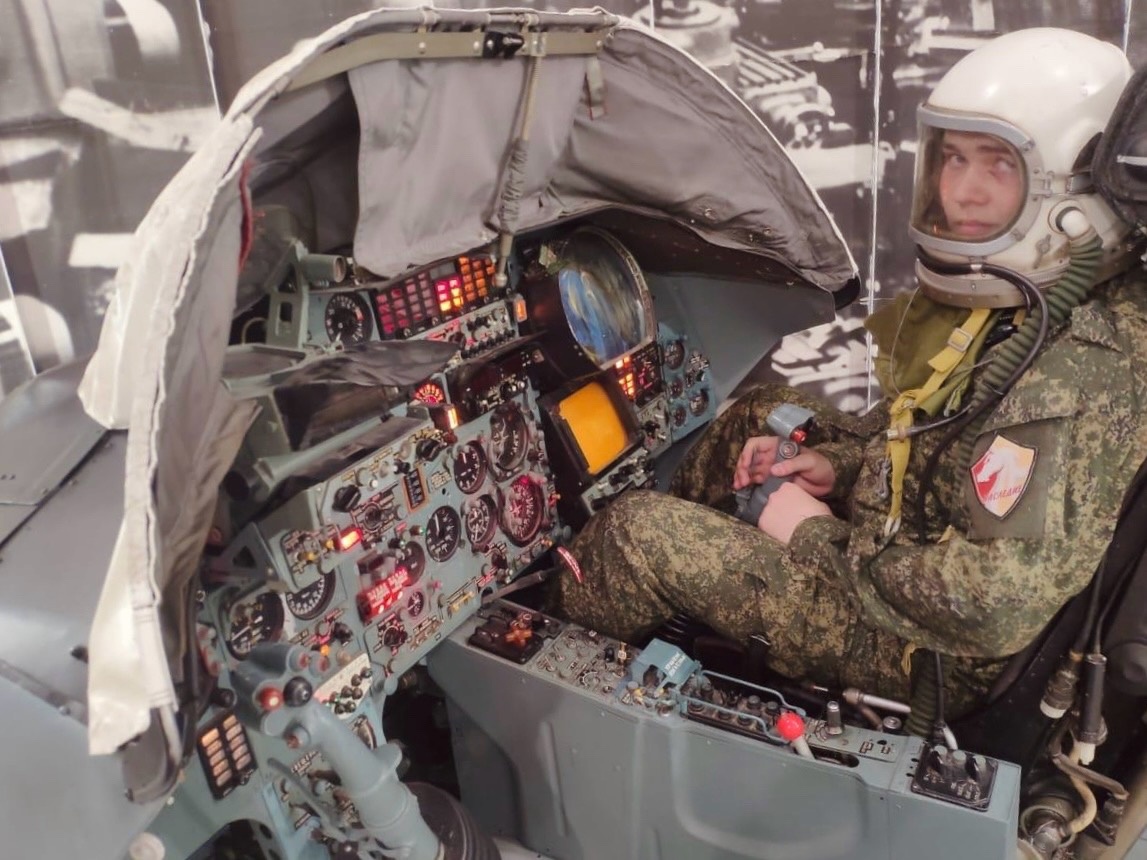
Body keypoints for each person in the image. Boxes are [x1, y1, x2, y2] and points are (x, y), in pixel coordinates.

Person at [558, 28, 1147, 717]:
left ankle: (555, 654)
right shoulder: (1039, 300)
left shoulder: (1075, 376)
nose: (961, 192)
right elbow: (937, 443)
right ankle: (682, 599)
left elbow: (991, 605)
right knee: (760, 413)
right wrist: (836, 469)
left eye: (997, 166)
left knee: (634, 536)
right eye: (953, 158)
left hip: (923, 653)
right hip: (904, 567)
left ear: (1077, 195)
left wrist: (813, 535)